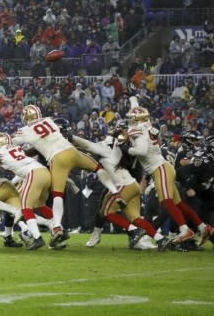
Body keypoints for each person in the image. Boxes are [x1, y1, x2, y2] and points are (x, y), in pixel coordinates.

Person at [12, 104, 126, 248]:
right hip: (71, 151)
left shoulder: (25, 130)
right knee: (97, 168)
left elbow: (13, 144)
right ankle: (115, 192)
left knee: (57, 195)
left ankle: (57, 227)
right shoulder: (49, 120)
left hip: (56, 159)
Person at [126, 97, 213, 246]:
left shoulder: (137, 129)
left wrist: (129, 149)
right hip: (164, 167)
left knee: (166, 201)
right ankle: (203, 227)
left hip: (160, 169)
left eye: (132, 117)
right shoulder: (146, 123)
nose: (130, 119)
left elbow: (141, 150)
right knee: (178, 204)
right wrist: (133, 97)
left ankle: (185, 230)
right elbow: (137, 109)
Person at [71, 119, 168, 251]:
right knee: (135, 217)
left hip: (123, 184)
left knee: (105, 211)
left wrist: (70, 137)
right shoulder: (129, 144)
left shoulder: (109, 147)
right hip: (133, 184)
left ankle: (134, 231)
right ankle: (160, 239)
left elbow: (88, 145)